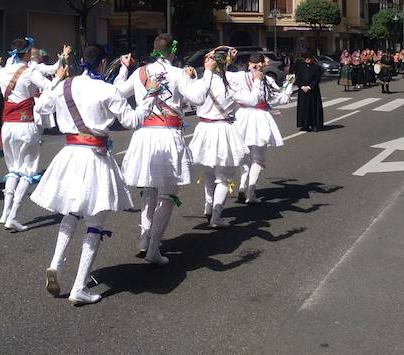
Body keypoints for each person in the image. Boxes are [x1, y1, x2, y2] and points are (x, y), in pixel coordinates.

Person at [31, 44, 159, 306]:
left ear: (81, 61)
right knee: (95, 222)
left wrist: (56, 82)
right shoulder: (107, 90)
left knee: (71, 212)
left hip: (69, 155)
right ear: (102, 63)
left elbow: (41, 108)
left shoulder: (66, 85)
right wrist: (150, 98)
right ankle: (79, 286)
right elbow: (133, 121)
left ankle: (55, 263)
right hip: (95, 157)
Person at [114, 33, 201, 265]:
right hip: (168, 135)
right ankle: (153, 248)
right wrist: (202, 75)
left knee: (149, 189)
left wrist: (124, 67)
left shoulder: (140, 72)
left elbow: (119, 91)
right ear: (172, 51)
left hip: (144, 135)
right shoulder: (178, 73)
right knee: (167, 194)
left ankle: (144, 240)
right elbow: (198, 97)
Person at [0, 38, 53, 231]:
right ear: (27, 52)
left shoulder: (4, 70)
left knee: (13, 168)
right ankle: (13, 216)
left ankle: (5, 213)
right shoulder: (30, 71)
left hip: (7, 126)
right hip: (25, 124)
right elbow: (49, 88)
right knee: (28, 171)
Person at [185, 49, 253, 228]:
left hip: (204, 129)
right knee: (224, 177)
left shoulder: (201, 81)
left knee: (208, 171)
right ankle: (216, 216)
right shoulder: (229, 85)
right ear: (226, 64)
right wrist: (259, 83)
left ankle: (208, 206)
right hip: (223, 129)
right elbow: (252, 100)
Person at [233, 53, 287, 204]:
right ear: (262, 64)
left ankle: (242, 186)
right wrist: (288, 89)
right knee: (258, 158)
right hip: (259, 118)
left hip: (242, 117)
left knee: (244, 155)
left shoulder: (239, 76)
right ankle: (251, 192)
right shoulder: (267, 80)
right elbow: (280, 98)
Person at [294, 51, 324, 131]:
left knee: (313, 108)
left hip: (313, 91)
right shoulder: (300, 67)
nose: (307, 60)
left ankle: (315, 125)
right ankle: (304, 125)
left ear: (311, 58)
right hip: (302, 91)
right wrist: (302, 86)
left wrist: (310, 87)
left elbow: (317, 79)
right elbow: (297, 79)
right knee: (304, 108)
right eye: (306, 58)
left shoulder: (316, 67)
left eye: (309, 58)